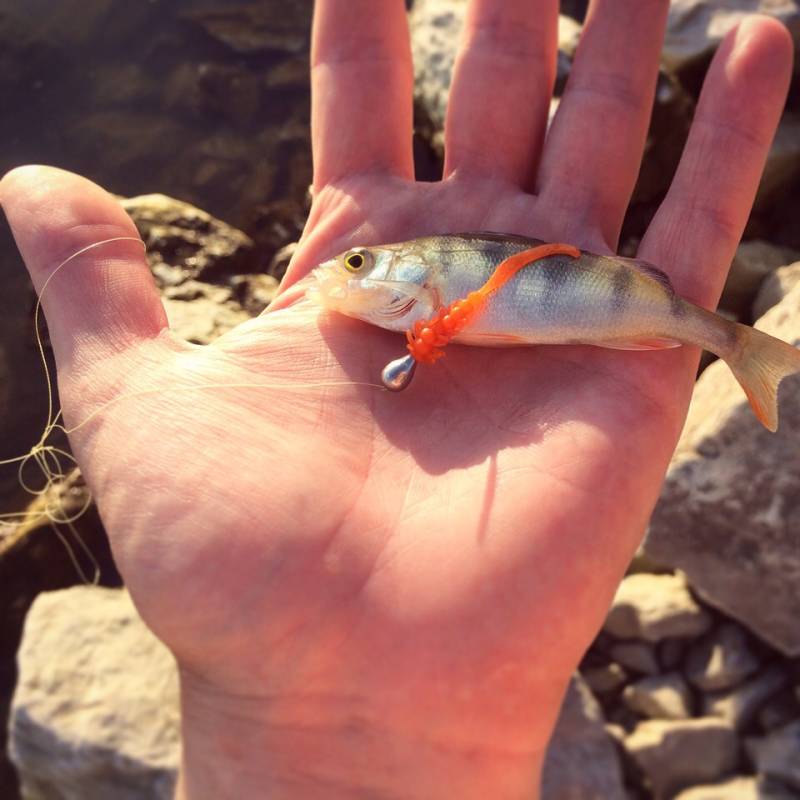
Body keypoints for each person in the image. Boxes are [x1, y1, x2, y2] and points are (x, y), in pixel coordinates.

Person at [0, 1, 793, 797]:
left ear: (414, 272)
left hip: (621, 315)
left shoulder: (432, 284)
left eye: (359, 267)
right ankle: (736, 341)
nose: (340, 278)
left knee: (692, 318)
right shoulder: (418, 309)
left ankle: (742, 345)